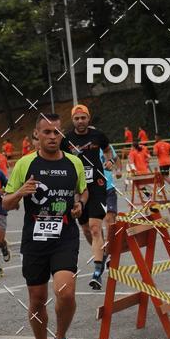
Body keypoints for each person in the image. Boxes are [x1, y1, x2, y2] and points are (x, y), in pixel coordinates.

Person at [3, 112, 87, 339]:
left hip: (64, 236)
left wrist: (80, 204)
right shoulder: (24, 164)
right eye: (47, 132)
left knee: (66, 292)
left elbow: (83, 191)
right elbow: (6, 203)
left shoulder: (74, 162)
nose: (52, 137)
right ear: (37, 135)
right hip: (35, 240)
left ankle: (61, 338)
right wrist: (20, 192)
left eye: (57, 132)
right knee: (37, 299)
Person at [60, 104, 113, 290]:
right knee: (86, 230)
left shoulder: (98, 135)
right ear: (72, 120)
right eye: (77, 118)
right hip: (77, 189)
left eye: (83, 118)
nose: (80, 121)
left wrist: (109, 160)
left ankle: (97, 272)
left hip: (97, 185)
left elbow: (108, 150)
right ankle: (102, 254)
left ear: (88, 118)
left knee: (95, 227)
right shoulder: (66, 140)